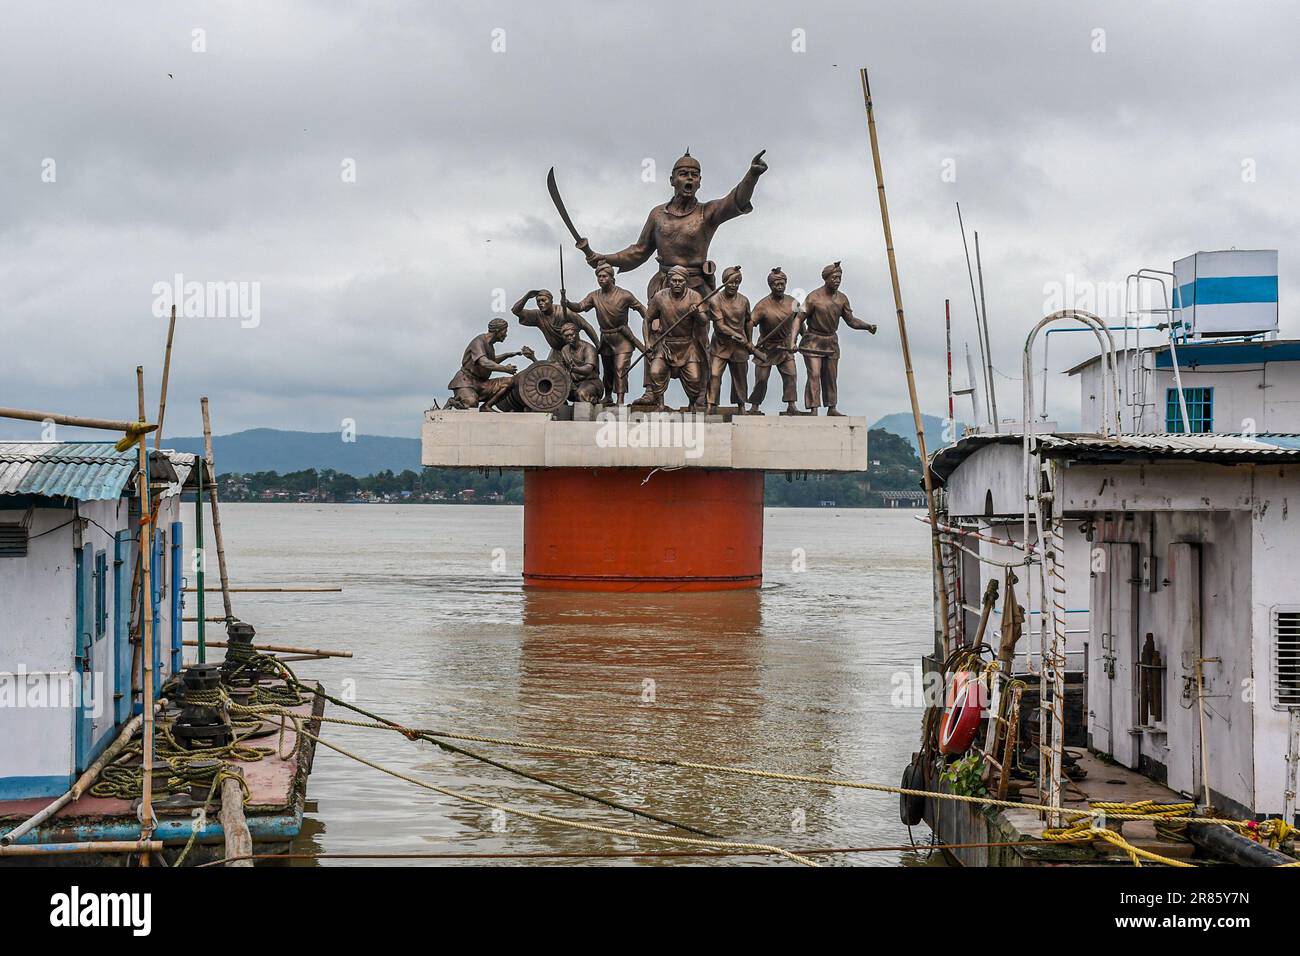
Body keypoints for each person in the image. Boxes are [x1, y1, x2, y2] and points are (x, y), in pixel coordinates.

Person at [562, 261, 648, 405]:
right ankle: (608, 396)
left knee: (620, 369)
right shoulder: (594, 296)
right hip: (606, 338)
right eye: (599, 277)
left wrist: (651, 322)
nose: (601, 279)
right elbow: (580, 306)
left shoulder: (624, 295)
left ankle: (620, 400)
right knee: (608, 370)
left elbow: (642, 310)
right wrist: (568, 303)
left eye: (604, 276)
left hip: (622, 338)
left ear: (611, 277)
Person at [799, 262, 876, 415]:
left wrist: (867, 326)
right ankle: (813, 408)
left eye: (839, 278)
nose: (837, 280)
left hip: (831, 342)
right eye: (834, 277)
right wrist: (791, 340)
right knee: (814, 374)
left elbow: (851, 320)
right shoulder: (813, 297)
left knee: (831, 376)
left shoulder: (842, 299)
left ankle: (831, 407)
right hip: (813, 341)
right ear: (826, 278)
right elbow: (798, 318)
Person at [634, 266, 707, 410]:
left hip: (687, 345)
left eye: (681, 281)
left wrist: (697, 313)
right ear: (669, 281)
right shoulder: (660, 297)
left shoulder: (695, 296)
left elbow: (704, 321)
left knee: (694, 378)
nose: (677, 284)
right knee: (655, 372)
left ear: (686, 281)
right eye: (674, 280)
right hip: (666, 344)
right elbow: (647, 320)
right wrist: (647, 341)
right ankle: (660, 404)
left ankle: (692, 404)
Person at [704, 266, 763, 415]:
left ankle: (741, 405)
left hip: (740, 347)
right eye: (731, 282)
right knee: (715, 374)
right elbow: (720, 326)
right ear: (724, 282)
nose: (734, 285)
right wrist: (738, 336)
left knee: (740, 377)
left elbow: (748, 322)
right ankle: (711, 404)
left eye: (737, 283)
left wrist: (749, 341)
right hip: (720, 345)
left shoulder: (744, 301)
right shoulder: (715, 300)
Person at [446, 318, 535, 411]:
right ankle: (454, 401)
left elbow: (492, 360)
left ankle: (486, 406)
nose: (505, 335)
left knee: (509, 382)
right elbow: (484, 362)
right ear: (497, 331)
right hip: (466, 382)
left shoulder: (490, 346)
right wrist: (505, 369)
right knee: (471, 403)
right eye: (504, 331)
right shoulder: (479, 341)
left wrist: (509, 355)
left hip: (482, 383)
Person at [747, 267, 802, 415]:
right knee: (761, 379)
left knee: (791, 375)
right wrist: (749, 343)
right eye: (776, 284)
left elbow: (799, 323)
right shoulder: (763, 305)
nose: (779, 287)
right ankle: (754, 406)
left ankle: (791, 405)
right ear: (770, 286)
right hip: (766, 348)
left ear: (785, 284)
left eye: (782, 284)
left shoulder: (793, 302)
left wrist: (801, 341)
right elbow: (750, 322)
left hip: (785, 346)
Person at [511, 289, 599, 359]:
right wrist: (527, 296)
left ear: (551, 300)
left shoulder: (564, 312)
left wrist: (598, 345)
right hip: (556, 353)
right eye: (538, 301)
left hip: (573, 351)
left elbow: (586, 326)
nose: (541, 303)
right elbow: (515, 311)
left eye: (543, 300)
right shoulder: (537, 315)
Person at [557, 321, 605, 404]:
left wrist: (574, 369)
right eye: (566, 336)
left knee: (581, 393)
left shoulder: (588, 348)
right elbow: (562, 368)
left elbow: (588, 369)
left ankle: (592, 399)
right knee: (557, 391)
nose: (569, 338)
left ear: (577, 333)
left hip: (591, 382)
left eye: (571, 334)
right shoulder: (565, 350)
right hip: (573, 383)